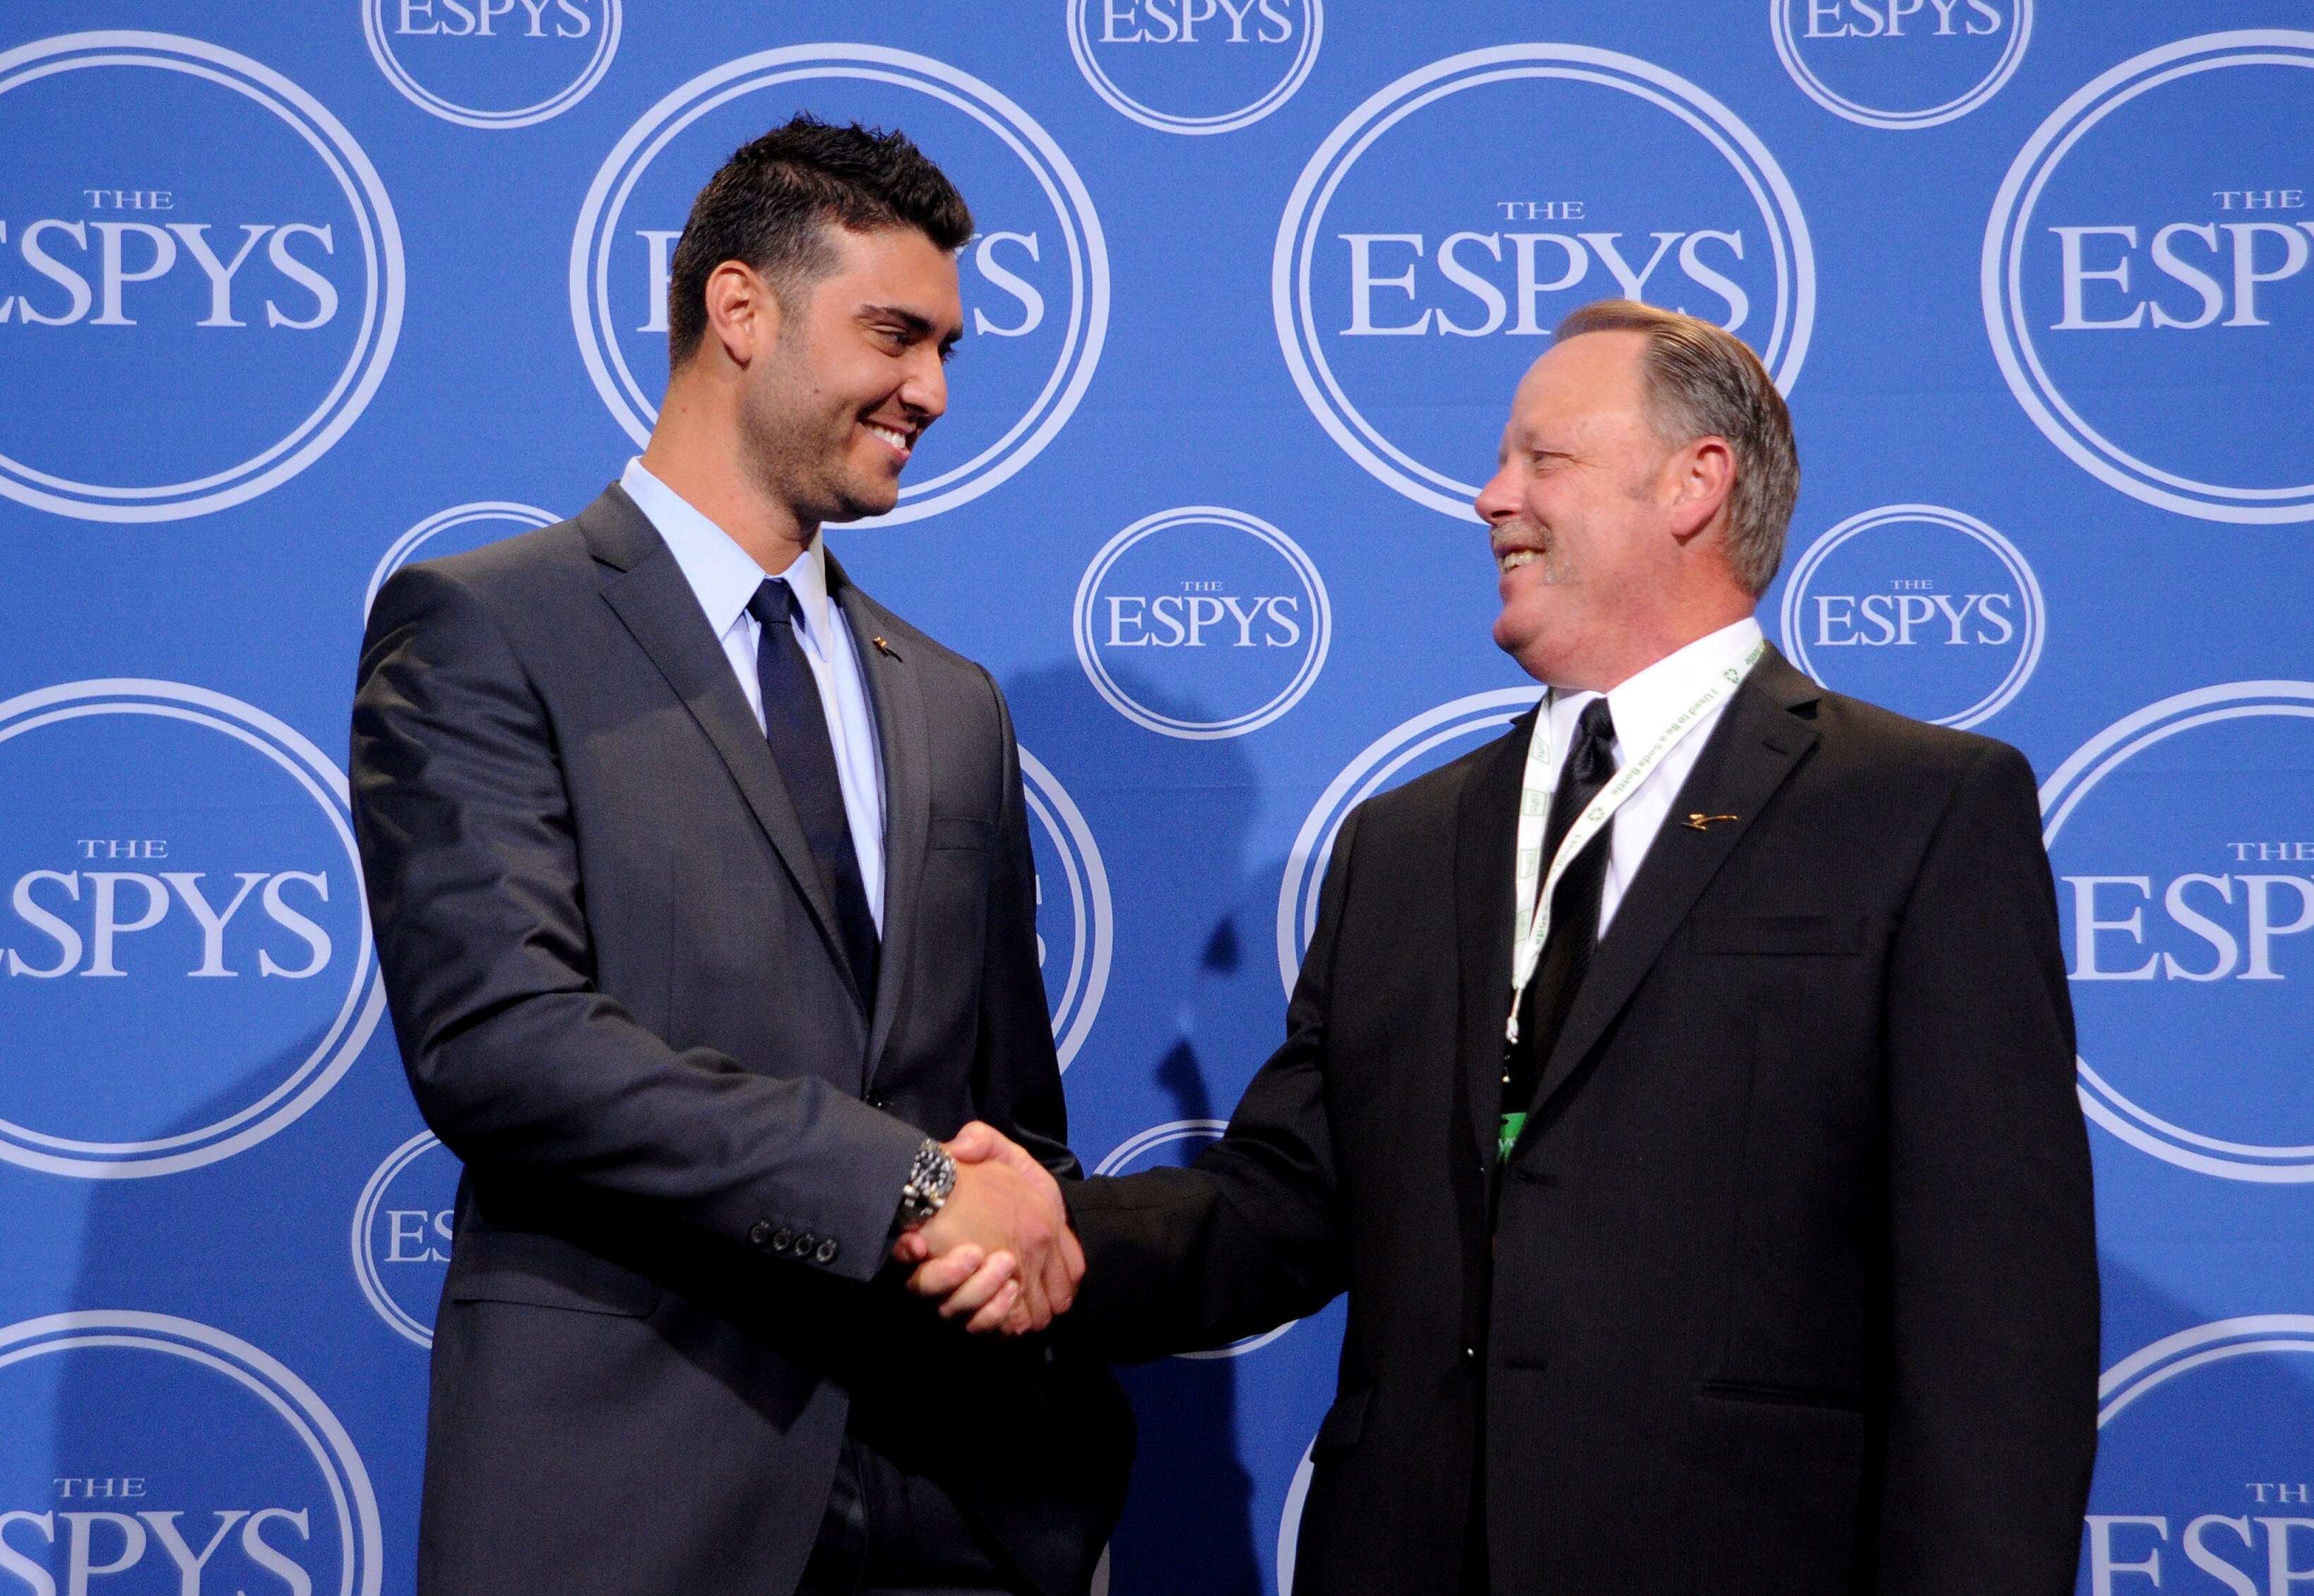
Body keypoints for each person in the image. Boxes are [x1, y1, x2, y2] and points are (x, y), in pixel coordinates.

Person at [913, 300, 2099, 1594]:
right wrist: (1048, 1238)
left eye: (1545, 460)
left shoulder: (1917, 808)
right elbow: (1284, 1206)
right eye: (1501, 462)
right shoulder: (1407, 845)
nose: (1491, 498)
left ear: (1697, 483)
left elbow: (1999, 1317)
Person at [352, 117, 1127, 1596]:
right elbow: (500, 1044)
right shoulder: (486, 623)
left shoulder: (950, 697)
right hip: (635, 1483)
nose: (934, 390)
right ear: (739, 309)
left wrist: (1024, 1244)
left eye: (950, 347)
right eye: (895, 334)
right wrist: (897, 1183)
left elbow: (1007, 1115)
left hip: (961, 1491)